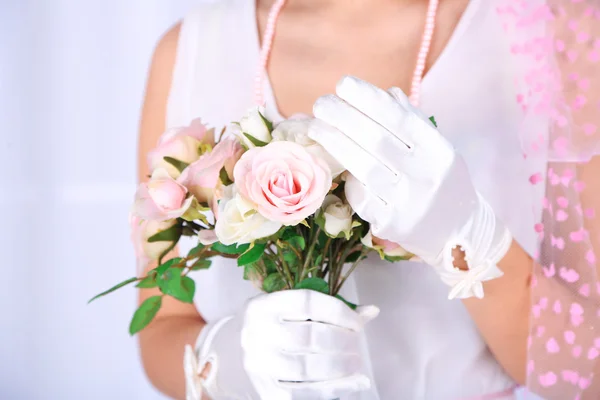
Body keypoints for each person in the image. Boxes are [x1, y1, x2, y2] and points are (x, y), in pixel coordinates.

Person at [136, 0, 600, 399]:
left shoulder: (555, 34)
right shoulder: (189, 49)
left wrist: (468, 238)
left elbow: (586, 372)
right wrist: (226, 363)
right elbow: (160, 325)